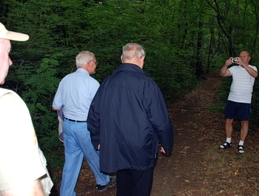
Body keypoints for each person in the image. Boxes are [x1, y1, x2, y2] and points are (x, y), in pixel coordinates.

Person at [87, 43, 174, 196]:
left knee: (124, 185)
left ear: (122, 58)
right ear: (142, 59)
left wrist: (98, 139)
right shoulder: (147, 84)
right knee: (141, 188)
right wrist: (166, 143)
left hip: (115, 146)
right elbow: (160, 120)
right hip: (140, 147)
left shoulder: (108, 82)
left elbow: (94, 114)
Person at [52, 51, 116, 196]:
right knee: (94, 154)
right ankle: (103, 181)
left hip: (68, 126)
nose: (96, 66)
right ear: (89, 63)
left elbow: (56, 105)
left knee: (71, 161)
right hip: (85, 127)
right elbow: (101, 109)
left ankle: (66, 193)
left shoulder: (66, 79)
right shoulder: (92, 83)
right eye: (95, 63)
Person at [0, 22, 53, 195]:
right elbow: (25, 190)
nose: (10, 61)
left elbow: (56, 105)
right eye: (7, 52)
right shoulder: (6, 104)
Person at [219, 51, 258, 154]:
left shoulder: (253, 68)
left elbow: (254, 75)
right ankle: (228, 141)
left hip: (245, 101)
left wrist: (243, 64)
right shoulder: (234, 69)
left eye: (244, 56)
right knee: (228, 120)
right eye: (240, 56)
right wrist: (226, 65)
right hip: (232, 99)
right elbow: (222, 74)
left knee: (244, 122)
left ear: (249, 58)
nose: (241, 58)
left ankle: (241, 144)